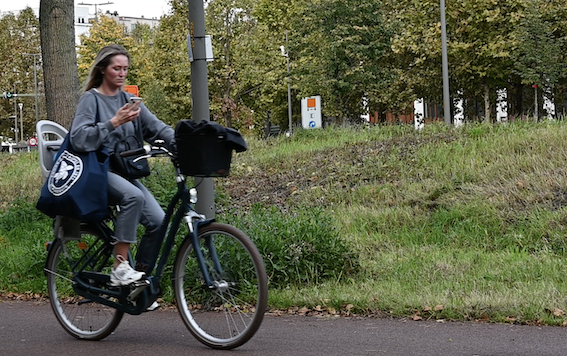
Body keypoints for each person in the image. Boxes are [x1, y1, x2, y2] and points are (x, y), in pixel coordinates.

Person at [70, 44, 175, 289]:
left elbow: (156, 128)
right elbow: (78, 138)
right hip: (98, 171)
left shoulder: (130, 100)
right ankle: (119, 268)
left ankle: (139, 284)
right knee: (133, 197)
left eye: (125, 69)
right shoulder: (91, 99)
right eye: (117, 68)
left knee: (159, 221)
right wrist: (113, 122)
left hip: (124, 172)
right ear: (103, 69)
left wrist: (182, 141)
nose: (122, 73)